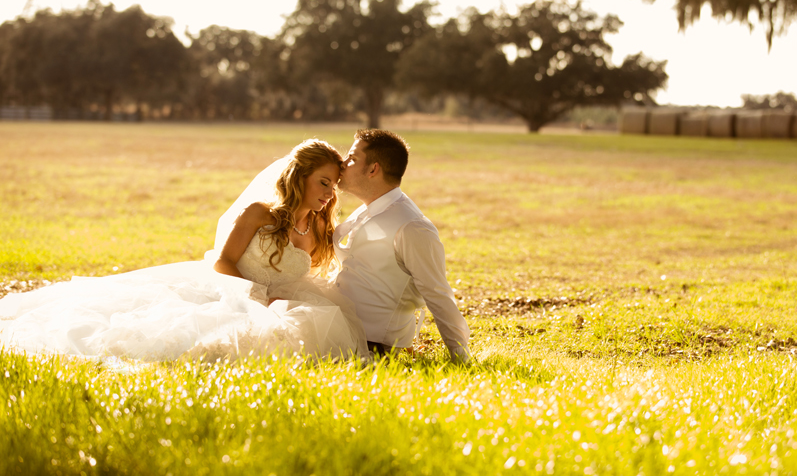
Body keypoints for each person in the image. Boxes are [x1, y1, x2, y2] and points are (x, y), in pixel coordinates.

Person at [0, 139, 369, 363]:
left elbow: (314, 272)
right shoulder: (259, 213)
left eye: (332, 185)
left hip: (280, 299)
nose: (327, 193)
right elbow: (223, 261)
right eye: (322, 182)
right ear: (298, 177)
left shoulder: (321, 225)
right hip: (230, 289)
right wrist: (253, 297)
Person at [333, 129, 471, 362]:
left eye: (352, 158)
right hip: (339, 323)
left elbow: (437, 293)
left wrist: (461, 356)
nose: (342, 163)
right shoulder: (369, 208)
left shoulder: (412, 226)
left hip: (373, 343)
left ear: (373, 169)